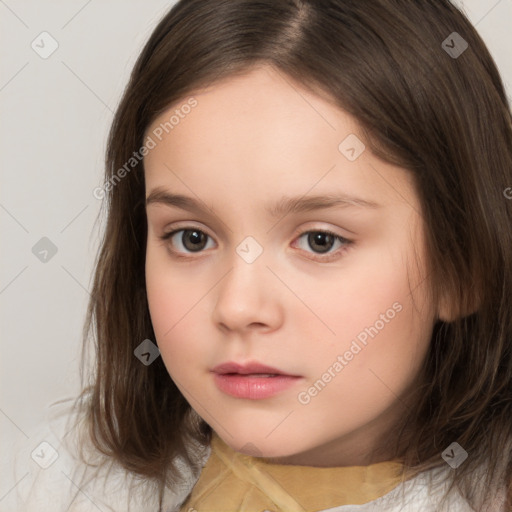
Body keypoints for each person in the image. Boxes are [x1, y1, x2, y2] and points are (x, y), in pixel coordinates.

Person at [11, 0, 512, 510]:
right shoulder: (60, 481)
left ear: (462, 267)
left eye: (320, 240)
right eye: (192, 238)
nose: (238, 307)